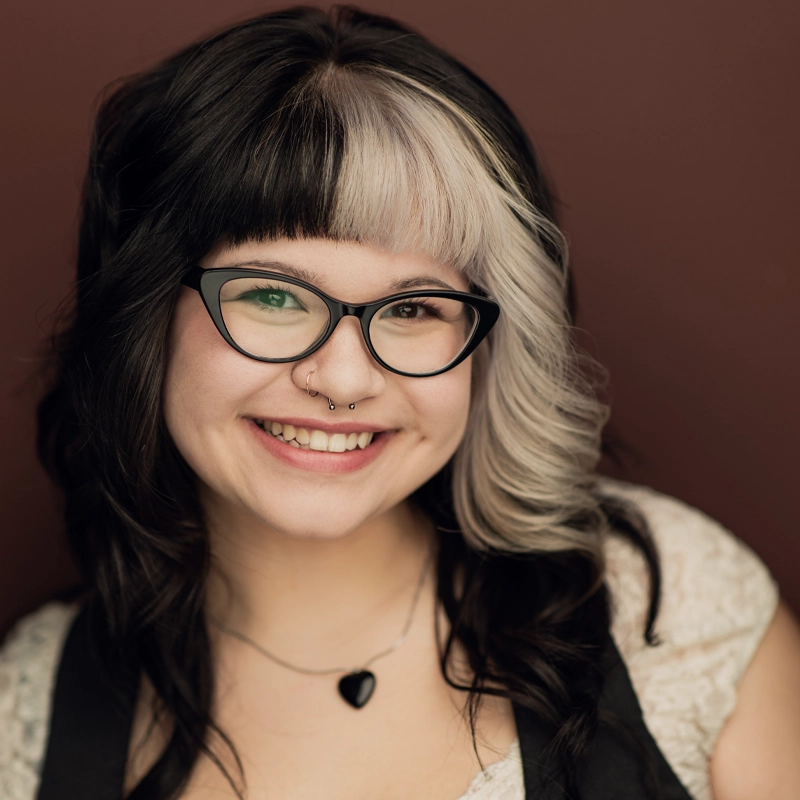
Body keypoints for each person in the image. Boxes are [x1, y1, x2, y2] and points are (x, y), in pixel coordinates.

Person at [1, 6, 799, 799]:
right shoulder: (31, 712)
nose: (344, 381)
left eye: (416, 308)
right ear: (143, 316)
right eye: (276, 297)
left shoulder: (670, 613)